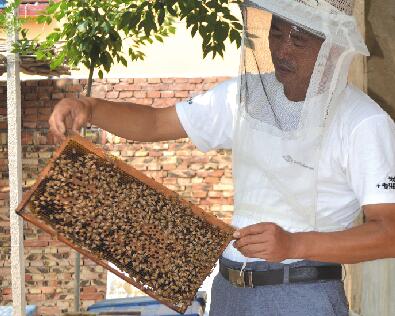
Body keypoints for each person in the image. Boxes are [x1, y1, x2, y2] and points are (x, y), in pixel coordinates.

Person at [49, 0, 395, 315]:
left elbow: (389, 233)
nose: (282, 48)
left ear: (332, 49)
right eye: (275, 32)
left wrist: (294, 243)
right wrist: (89, 107)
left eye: (299, 40)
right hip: (230, 291)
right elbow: (155, 122)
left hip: (303, 294)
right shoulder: (246, 97)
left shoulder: (364, 122)